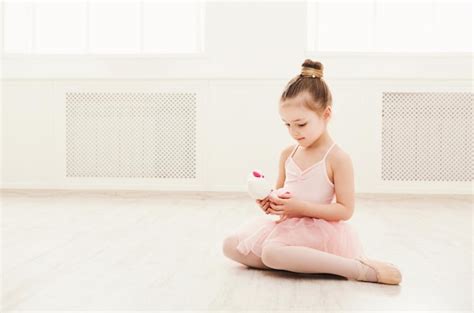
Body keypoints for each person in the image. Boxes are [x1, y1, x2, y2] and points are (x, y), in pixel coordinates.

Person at [222, 59, 402, 285]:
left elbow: (345, 210)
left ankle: (358, 269)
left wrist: (301, 208)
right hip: (287, 229)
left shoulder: (338, 158)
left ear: (326, 115)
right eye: (287, 125)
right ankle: (301, 262)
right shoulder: (288, 154)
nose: (294, 132)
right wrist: (270, 202)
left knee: (271, 253)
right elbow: (280, 194)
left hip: (318, 231)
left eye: (301, 124)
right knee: (230, 245)